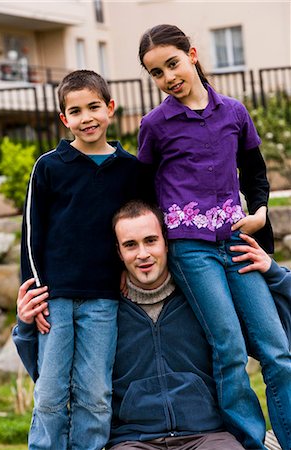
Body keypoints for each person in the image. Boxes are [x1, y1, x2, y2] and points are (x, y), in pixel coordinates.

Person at [13, 200, 291, 450]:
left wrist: (274, 273)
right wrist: (26, 325)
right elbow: (52, 373)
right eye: (130, 245)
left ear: (166, 242)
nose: (143, 254)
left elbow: (276, 336)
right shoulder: (103, 314)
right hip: (132, 440)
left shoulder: (204, 299)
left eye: (150, 241)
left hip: (208, 435)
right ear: (119, 253)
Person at [137, 24, 291, 450]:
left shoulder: (234, 113)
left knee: (277, 351)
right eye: (156, 73)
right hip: (190, 249)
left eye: (173, 63)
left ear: (193, 54)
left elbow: (257, 173)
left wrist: (259, 215)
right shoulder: (155, 125)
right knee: (229, 349)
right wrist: (153, 249)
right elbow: (144, 192)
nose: (168, 77)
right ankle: (251, 443)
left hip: (237, 242)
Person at [20, 70, 152, 450]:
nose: (86, 117)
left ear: (110, 108)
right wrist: (33, 292)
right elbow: (32, 233)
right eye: (75, 111)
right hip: (55, 299)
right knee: (50, 394)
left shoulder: (131, 169)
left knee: (95, 394)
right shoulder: (49, 165)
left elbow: (137, 227)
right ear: (64, 119)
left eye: (94, 106)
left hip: (104, 298)